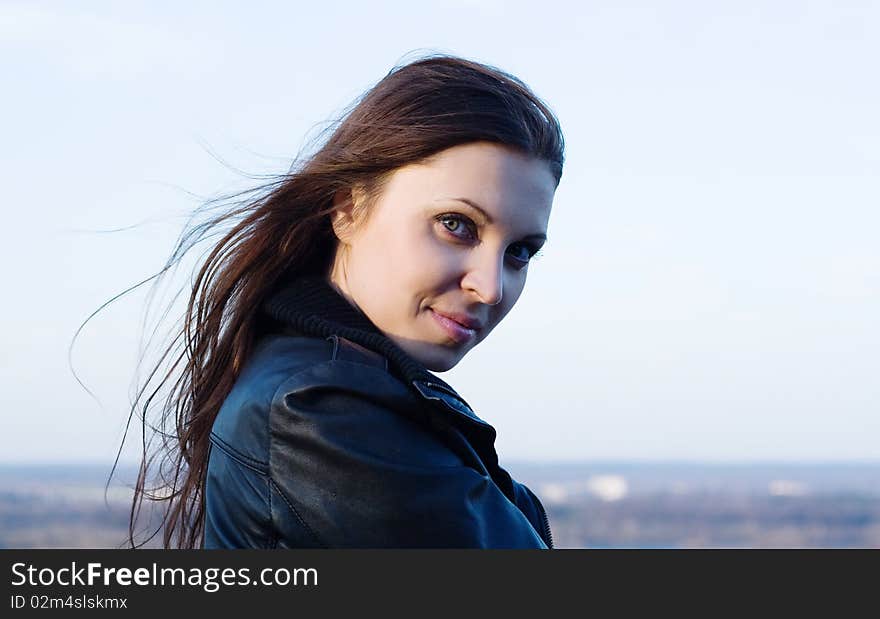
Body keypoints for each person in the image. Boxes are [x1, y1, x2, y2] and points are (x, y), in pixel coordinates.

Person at [126, 54, 564, 548]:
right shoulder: (315, 411)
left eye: (519, 252)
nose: (490, 287)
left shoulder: (347, 386)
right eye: (455, 225)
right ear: (348, 209)